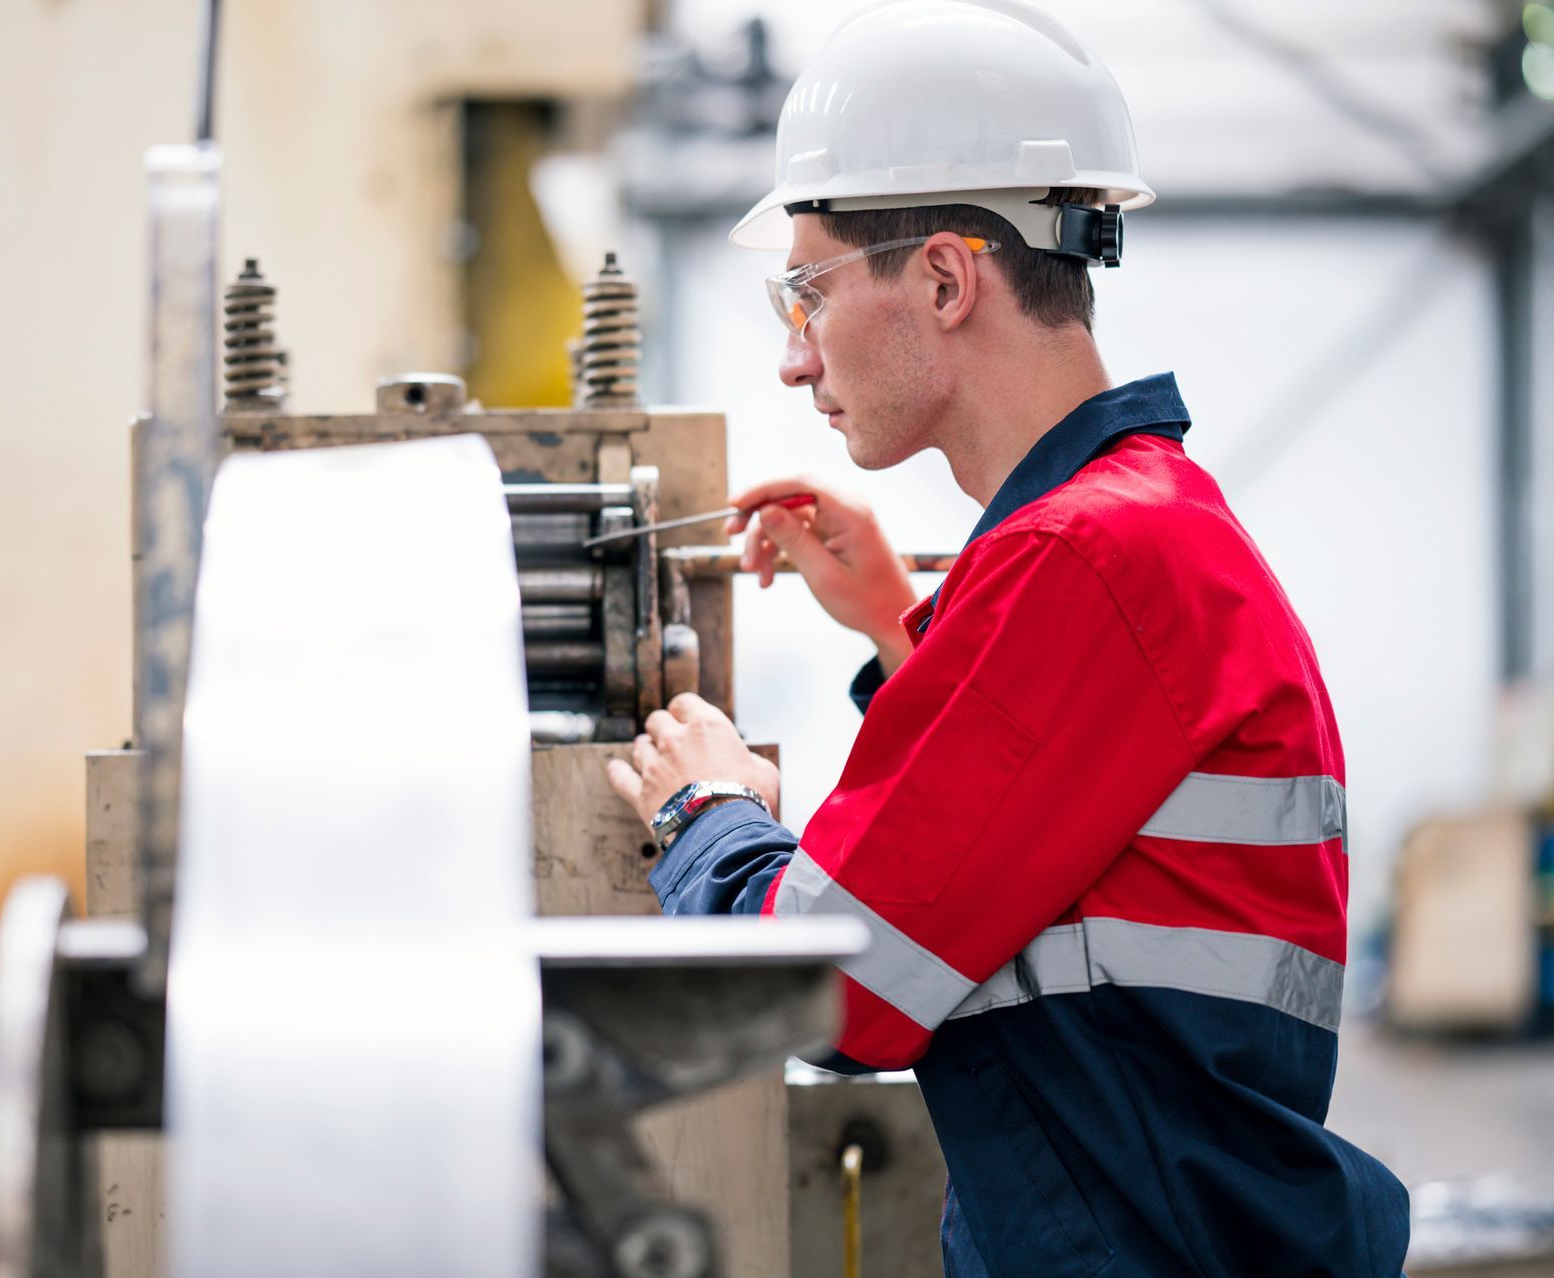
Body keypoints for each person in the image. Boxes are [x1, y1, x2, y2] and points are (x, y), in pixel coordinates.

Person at [602, 3, 1411, 1275]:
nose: (792, 361)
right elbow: (1065, 845)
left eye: (806, 294)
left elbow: (838, 987)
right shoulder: (1134, 530)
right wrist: (894, 620)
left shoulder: (1081, 556)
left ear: (943, 276)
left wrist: (708, 811)